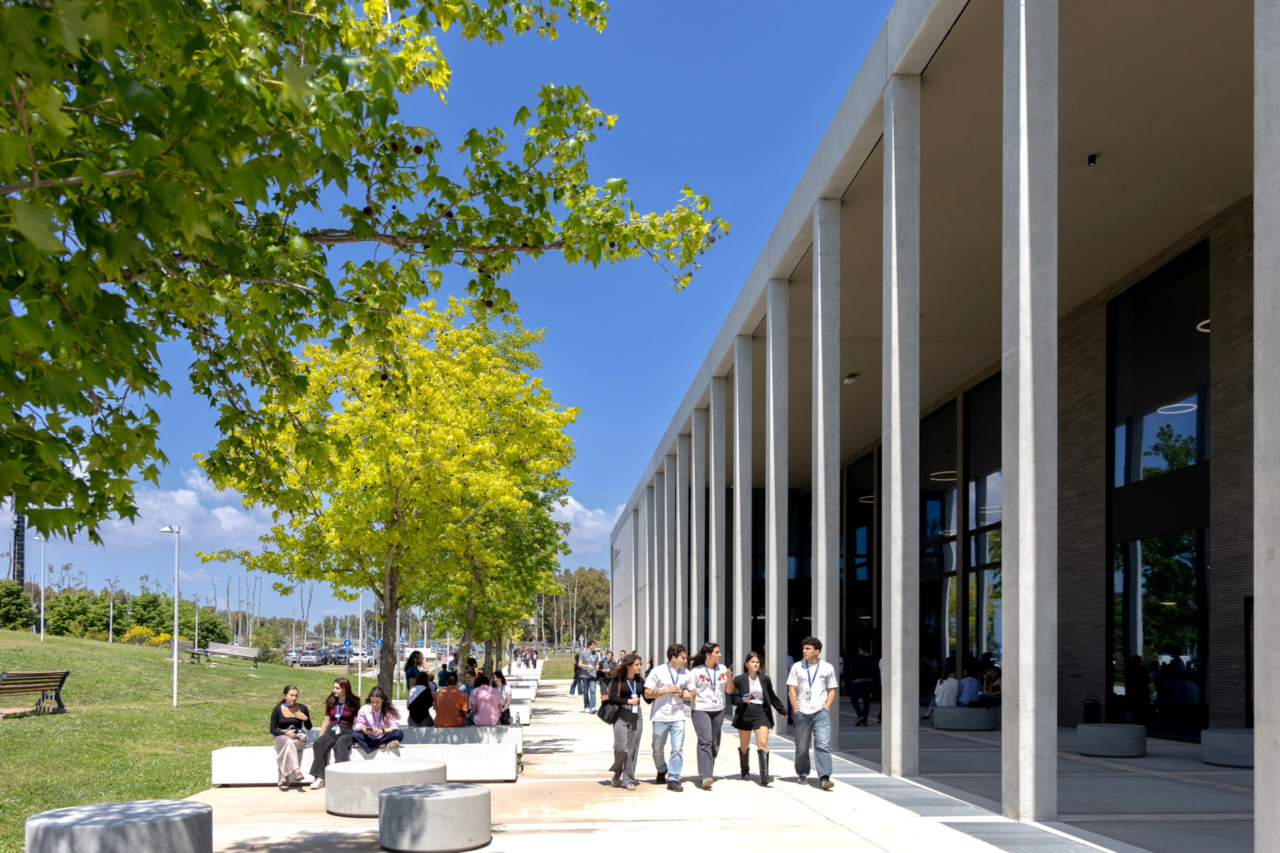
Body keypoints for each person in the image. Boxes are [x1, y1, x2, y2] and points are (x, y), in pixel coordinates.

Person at [786, 636, 838, 790]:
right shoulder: (797, 667)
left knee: (823, 744)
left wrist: (827, 707)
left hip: (821, 712)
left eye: (808, 649)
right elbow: (792, 690)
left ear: (817, 651)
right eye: (803, 648)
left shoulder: (827, 668)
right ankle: (802, 772)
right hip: (803, 712)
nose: (804, 651)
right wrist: (796, 709)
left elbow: (832, 689)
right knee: (801, 746)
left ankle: (824, 776)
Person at [730, 651, 789, 785]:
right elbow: (734, 698)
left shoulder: (764, 679)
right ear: (747, 664)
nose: (756, 664)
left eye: (757, 662)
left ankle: (764, 776)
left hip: (761, 713)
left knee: (762, 743)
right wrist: (743, 700)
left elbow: (771, 696)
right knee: (744, 745)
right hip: (745, 713)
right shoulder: (739, 679)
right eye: (753, 662)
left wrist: (781, 710)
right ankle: (745, 771)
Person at [643, 643, 693, 792]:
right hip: (660, 715)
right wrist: (666, 690)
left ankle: (673, 778)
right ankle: (661, 768)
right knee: (657, 748)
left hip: (678, 715)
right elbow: (646, 693)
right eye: (682, 658)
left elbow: (692, 693)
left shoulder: (686, 673)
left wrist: (684, 694)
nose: (685, 660)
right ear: (673, 657)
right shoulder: (657, 671)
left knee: (677, 748)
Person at [688, 642, 734, 789]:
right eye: (717, 652)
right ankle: (706, 775)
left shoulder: (723, 669)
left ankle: (707, 771)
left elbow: (729, 690)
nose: (720, 655)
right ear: (708, 654)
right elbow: (691, 691)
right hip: (701, 709)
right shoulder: (696, 671)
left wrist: (729, 678)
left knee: (714, 743)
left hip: (718, 709)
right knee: (705, 741)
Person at [309, 677, 359, 789]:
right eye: (334, 687)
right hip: (332, 729)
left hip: (347, 730)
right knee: (320, 743)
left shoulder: (354, 702)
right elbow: (326, 721)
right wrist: (319, 737)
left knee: (341, 744)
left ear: (345, 689)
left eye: (337, 688)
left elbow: (357, 722)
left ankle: (339, 776)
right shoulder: (331, 701)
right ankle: (320, 777)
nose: (334, 690)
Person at [605, 653, 644, 790]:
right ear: (628, 666)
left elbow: (647, 697)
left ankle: (628, 779)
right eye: (637, 665)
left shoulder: (640, 681)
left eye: (640, 664)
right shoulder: (619, 679)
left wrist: (658, 691)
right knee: (621, 747)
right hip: (621, 716)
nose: (639, 667)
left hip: (636, 716)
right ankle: (618, 770)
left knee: (632, 749)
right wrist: (628, 701)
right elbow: (612, 697)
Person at [269, 685, 312, 790]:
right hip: (282, 736)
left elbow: (309, 727)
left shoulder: (302, 708)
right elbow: (272, 730)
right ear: (284, 695)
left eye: (296, 696)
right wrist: (286, 734)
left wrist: (305, 719)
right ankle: (297, 770)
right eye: (291, 695)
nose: (294, 698)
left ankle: (284, 780)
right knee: (289, 742)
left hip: (298, 737)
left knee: (289, 744)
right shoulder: (277, 709)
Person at [353, 685, 403, 753]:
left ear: (382, 700)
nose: (374, 704)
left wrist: (382, 731)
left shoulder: (389, 709)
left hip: (384, 735)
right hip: (370, 736)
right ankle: (384, 745)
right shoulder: (364, 709)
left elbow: (395, 727)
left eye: (377, 702)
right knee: (354, 734)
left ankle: (367, 746)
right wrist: (364, 729)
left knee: (399, 733)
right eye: (372, 701)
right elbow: (358, 726)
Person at [847, 640, 877, 727]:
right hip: (868, 681)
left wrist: (851, 678)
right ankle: (865, 720)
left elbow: (852, 669)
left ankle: (860, 715)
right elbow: (874, 670)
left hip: (857, 681)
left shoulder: (857, 657)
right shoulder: (871, 658)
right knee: (866, 701)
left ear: (859, 648)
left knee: (854, 699)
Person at [580, 640, 602, 712]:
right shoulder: (583, 654)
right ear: (589, 646)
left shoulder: (596, 654)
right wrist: (587, 666)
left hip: (593, 675)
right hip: (585, 675)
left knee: (593, 691)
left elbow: (597, 663)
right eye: (593, 645)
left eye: (594, 645)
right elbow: (579, 664)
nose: (594, 646)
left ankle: (593, 707)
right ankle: (587, 705)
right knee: (586, 692)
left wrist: (597, 667)